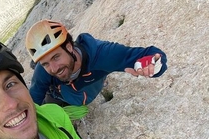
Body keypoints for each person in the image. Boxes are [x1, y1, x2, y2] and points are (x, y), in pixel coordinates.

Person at [26, 19, 167, 106]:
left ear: (69, 46)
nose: (54, 68)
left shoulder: (102, 55)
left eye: (56, 57)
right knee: (42, 84)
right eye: (45, 63)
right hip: (64, 88)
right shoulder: (42, 71)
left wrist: (151, 65)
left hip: (78, 95)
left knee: (53, 99)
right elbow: (34, 101)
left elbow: (152, 55)